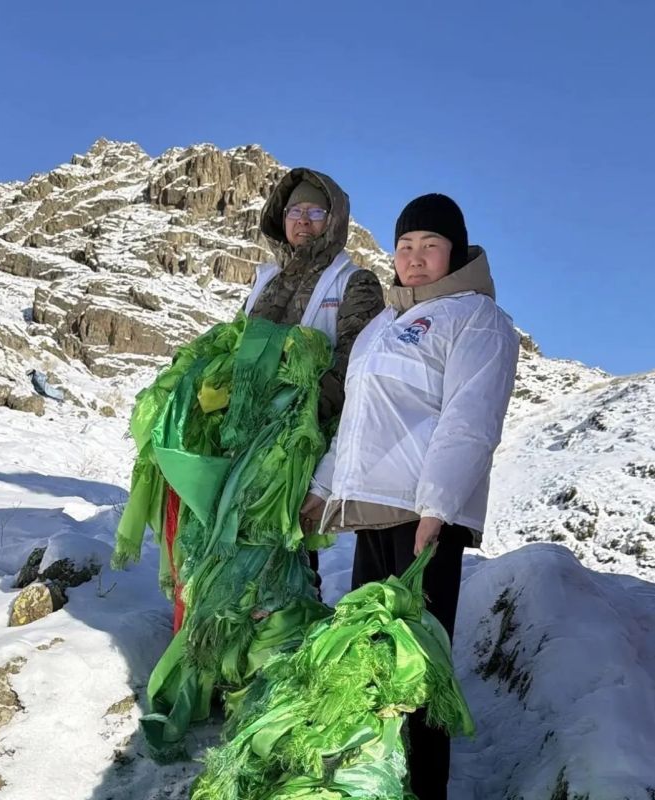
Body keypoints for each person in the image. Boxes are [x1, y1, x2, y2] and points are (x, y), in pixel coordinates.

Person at [300, 193, 519, 799]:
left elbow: (469, 420)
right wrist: (322, 487)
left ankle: (426, 790)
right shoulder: (381, 324)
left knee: (418, 669)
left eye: (430, 246)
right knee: (370, 661)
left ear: (455, 251)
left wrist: (438, 507)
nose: (415, 258)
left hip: (424, 517)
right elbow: (357, 421)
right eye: (405, 246)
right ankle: (374, 782)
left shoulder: (476, 317)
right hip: (373, 512)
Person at [245, 167, 385, 581]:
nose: (303, 221)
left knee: (289, 553)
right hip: (248, 435)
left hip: (303, 440)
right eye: (294, 210)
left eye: (315, 212)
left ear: (334, 220)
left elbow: (352, 366)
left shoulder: (354, 282)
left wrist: (297, 417)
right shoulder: (264, 280)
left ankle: (290, 634)